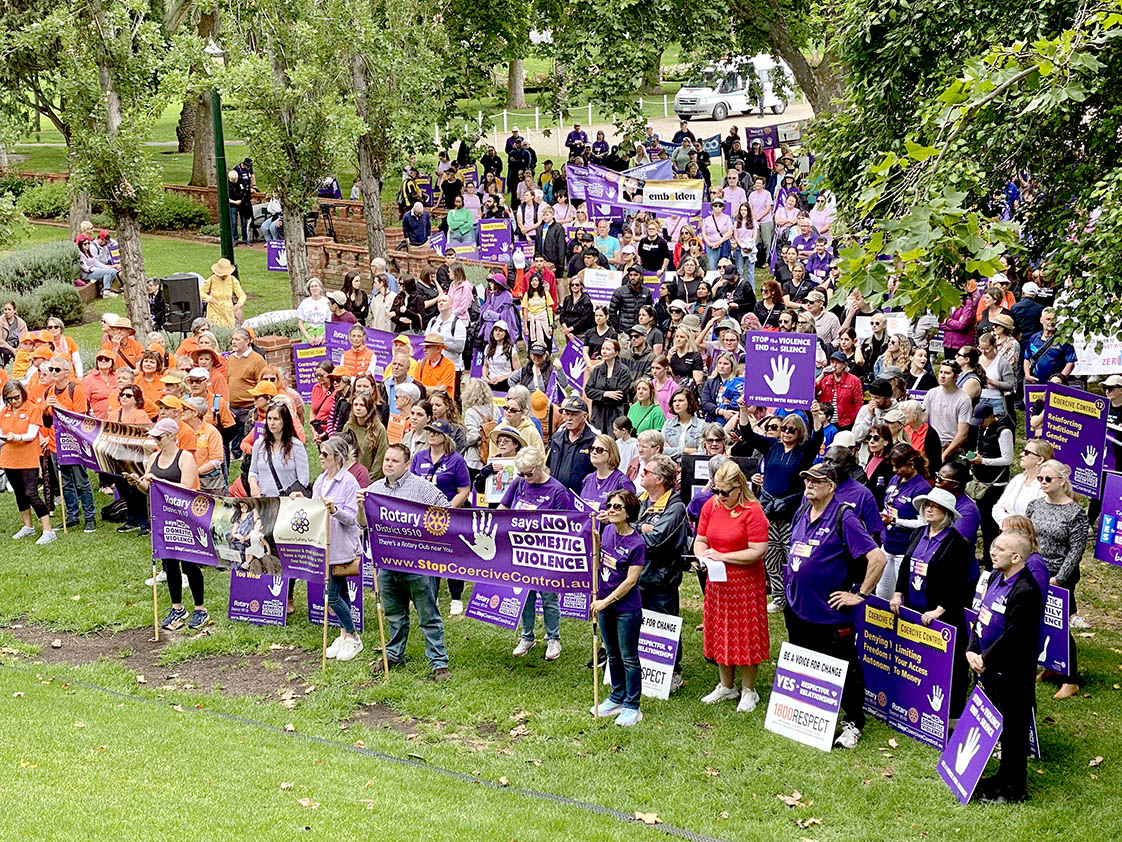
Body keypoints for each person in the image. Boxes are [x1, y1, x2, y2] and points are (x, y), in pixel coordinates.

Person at [786, 463, 887, 747]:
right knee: (807, 662)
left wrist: (861, 594)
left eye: (816, 481)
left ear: (831, 486)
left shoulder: (845, 516)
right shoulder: (802, 512)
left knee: (844, 668)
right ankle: (811, 714)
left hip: (830, 613)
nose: (809, 484)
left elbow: (878, 558)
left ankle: (853, 721)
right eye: (806, 479)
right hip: (798, 608)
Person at [363, 444, 451, 678]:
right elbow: (362, 523)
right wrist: (360, 505)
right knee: (393, 613)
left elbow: (447, 512)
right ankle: (393, 655)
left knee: (428, 614)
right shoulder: (374, 489)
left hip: (418, 564)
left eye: (394, 461)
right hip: (387, 564)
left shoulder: (423, 488)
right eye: (386, 459)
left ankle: (438, 662)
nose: (388, 464)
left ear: (406, 464)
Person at [968, 529, 1042, 804]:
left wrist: (985, 658)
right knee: (1002, 728)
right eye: (993, 546)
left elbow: (1015, 635)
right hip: (988, 667)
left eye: (1000, 549)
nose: (992, 551)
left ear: (1016, 556)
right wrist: (971, 649)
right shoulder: (997, 577)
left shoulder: (1027, 590)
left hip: (1012, 672)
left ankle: (1014, 789)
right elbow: (982, 616)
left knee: (1014, 731)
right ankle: (1002, 777)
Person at [694, 462, 771, 712]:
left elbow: (758, 550)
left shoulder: (753, 510)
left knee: (746, 634)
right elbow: (701, 540)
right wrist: (703, 557)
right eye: (717, 490)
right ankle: (726, 685)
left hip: (745, 582)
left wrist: (723, 556)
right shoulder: (711, 506)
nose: (720, 496)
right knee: (720, 630)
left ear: (739, 487)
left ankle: (749, 689)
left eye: (725, 492)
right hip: (717, 581)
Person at [732, 404, 824, 613]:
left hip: (792, 510)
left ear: (800, 432)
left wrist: (814, 414)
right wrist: (744, 410)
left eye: (791, 429)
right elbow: (748, 434)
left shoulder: (804, 451)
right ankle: (779, 596)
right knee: (772, 553)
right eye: (784, 428)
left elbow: (818, 437)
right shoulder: (772, 446)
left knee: (792, 555)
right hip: (770, 510)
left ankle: (794, 595)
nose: (786, 433)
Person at [889, 487, 972, 716]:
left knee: (947, 666)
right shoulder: (918, 533)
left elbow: (960, 582)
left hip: (942, 614)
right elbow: (905, 567)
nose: (928, 509)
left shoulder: (956, 543)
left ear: (947, 512)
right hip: (915, 609)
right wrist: (897, 593)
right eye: (926, 505)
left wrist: (940, 610)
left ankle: (951, 712)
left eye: (934, 506)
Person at [127, 418, 204, 630]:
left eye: (159, 437)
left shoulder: (185, 458)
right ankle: (177, 607)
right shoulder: (153, 458)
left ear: (171, 436)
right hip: (162, 518)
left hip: (184, 518)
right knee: (169, 564)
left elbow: (187, 488)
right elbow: (149, 488)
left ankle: (200, 609)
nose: (156, 441)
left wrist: (159, 482)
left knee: (189, 563)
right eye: (154, 437)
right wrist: (138, 482)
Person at [500, 447, 575, 661]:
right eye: (521, 474)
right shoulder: (520, 483)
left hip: (545, 552)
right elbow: (503, 509)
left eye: (528, 473)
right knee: (525, 595)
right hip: (519, 550)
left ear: (540, 465)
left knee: (549, 597)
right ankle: (527, 636)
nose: (525, 478)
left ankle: (553, 638)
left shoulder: (557, 490)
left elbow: (566, 525)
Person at [1026, 460, 1089, 701]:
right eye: (1040, 479)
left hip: (1060, 577)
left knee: (1059, 626)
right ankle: (1051, 665)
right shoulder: (1034, 506)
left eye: (1047, 479)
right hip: (1035, 571)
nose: (1042, 482)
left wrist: (1060, 578)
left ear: (1062, 481)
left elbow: (1076, 550)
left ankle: (1070, 679)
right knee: (1038, 622)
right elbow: (1028, 537)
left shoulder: (1075, 513)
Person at [590, 489, 646, 726]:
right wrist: (596, 544)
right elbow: (598, 562)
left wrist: (607, 600)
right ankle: (617, 696)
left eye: (617, 507)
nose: (611, 510)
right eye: (609, 505)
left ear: (629, 512)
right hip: (603, 603)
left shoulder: (637, 543)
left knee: (629, 657)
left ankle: (632, 705)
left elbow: (631, 581)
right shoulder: (608, 530)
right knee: (612, 653)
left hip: (626, 608)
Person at [309, 436, 364, 662]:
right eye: (320, 453)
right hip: (325, 546)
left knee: (332, 596)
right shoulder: (321, 481)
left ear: (337, 458)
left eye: (325, 455)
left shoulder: (349, 482)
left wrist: (334, 510)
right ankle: (344, 635)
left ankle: (352, 635)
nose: (321, 458)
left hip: (342, 546)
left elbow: (353, 519)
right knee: (340, 593)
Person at [1, 381, 55, 544]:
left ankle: (48, 530)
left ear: (22, 394)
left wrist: (16, 437)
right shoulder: (5, 412)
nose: (14, 401)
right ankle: (28, 526)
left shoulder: (33, 409)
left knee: (31, 493)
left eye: (16, 397)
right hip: (9, 457)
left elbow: (31, 434)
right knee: (19, 493)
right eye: (9, 399)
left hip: (28, 457)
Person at [878, 443, 931, 599]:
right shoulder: (895, 479)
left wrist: (895, 520)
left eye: (898, 467)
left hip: (905, 549)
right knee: (882, 593)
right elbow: (889, 505)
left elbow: (924, 522)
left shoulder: (922, 487)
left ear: (911, 464)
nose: (894, 470)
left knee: (902, 596)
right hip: (887, 544)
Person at [967, 403, 1015, 562]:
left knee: (991, 524)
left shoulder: (1004, 431)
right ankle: (987, 556)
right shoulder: (983, 428)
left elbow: (1007, 459)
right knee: (984, 522)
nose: (980, 423)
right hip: (982, 481)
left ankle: (992, 559)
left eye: (982, 420)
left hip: (996, 484)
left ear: (990, 417)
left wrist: (984, 461)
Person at [248, 398, 310, 499]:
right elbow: (253, 471)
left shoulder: (296, 446)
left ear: (284, 421)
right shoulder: (259, 444)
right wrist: (253, 485)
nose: (271, 423)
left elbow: (303, 480)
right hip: (265, 501)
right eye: (269, 418)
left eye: (276, 419)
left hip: (287, 502)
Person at [991, 439, 1053, 525]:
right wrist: (1009, 524)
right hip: (1007, 532)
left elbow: (1040, 519)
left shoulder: (1046, 486)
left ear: (1040, 460)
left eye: (1027, 452)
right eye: (1023, 451)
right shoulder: (1018, 479)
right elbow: (997, 508)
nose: (1021, 455)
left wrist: (1015, 525)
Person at [923, 361, 972, 463]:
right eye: (941, 372)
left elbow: (963, 433)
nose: (942, 376)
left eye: (947, 373)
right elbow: (923, 421)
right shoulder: (931, 393)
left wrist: (944, 454)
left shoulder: (963, 399)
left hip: (954, 446)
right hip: (932, 444)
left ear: (956, 377)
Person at [547, 396, 596, 493]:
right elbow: (548, 468)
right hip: (555, 496)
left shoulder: (594, 441)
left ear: (585, 416)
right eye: (566, 414)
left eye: (573, 415)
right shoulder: (556, 438)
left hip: (580, 498)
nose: (568, 418)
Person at [585, 338, 632, 434]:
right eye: (603, 349)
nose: (604, 352)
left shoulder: (624, 371)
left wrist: (598, 394)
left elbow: (620, 395)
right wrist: (605, 394)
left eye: (608, 349)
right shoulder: (597, 370)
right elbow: (588, 390)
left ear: (616, 353)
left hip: (615, 413)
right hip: (598, 413)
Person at [580, 434, 635, 510]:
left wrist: (601, 508)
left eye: (599, 450)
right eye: (592, 449)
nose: (594, 452)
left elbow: (631, 510)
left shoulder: (622, 482)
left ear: (611, 454)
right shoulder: (587, 479)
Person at [1023, 308, 1077, 385]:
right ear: (1041, 320)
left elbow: (1071, 363)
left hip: (1057, 384)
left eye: (1054, 319)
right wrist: (1027, 374)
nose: (1051, 322)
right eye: (1048, 319)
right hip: (1036, 383)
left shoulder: (1064, 339)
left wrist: (1060, 378)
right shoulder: (1034, 338)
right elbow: (1027, 358)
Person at [200, 258, 247, 330]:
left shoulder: (232, 280)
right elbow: (201, 292)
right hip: (214, 309)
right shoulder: (211, 279)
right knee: (214, 329)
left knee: (229, 329)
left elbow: (242, 295)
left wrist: (239, 304)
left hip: (228, 310)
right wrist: (209, 299)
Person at [661, 388, 704, 460]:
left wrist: (672, 451)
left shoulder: (702, 425)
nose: (677, 404)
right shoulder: (668, 424)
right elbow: (662, 450)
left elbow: (701, 453)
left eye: (681, 401)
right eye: (674, 401)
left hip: (691, 466)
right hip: (669, 465)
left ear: (689, 403)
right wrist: (685, 450)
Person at [296, 278, 332, 345]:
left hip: (322, 334)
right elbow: (300, 323)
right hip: (308, 332)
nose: (314, 288)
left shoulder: (326, 302)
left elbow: (330, 322)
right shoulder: (304, 303)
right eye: (312, 286)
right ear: (309, 289)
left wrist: (322, 336)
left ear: (320, 287)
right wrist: (308, 337)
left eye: (316, 286)